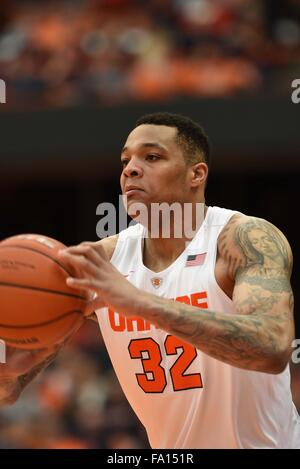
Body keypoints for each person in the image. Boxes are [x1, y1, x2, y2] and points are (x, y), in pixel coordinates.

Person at [1, 112, 299, 448]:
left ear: (196, 174)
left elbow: (272, 347)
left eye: (152, 157)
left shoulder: (242, 238)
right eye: (125, 160)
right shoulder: (103, 261)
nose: (130, 169)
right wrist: (10, 365)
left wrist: (139, 302)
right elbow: (9, 389)